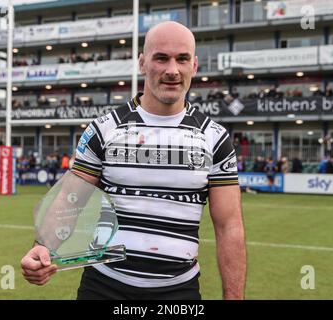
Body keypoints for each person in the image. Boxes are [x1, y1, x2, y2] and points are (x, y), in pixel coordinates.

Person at [20, 21, 246, 300]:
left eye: (182, 59)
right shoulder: (104, 128)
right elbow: (70, 198)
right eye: (161, 58)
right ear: (142, 62)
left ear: (194, 66)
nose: (172, 70)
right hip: (104, 286)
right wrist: (42, 247)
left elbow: (229, 227)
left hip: (178, 293)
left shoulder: (215, 138)